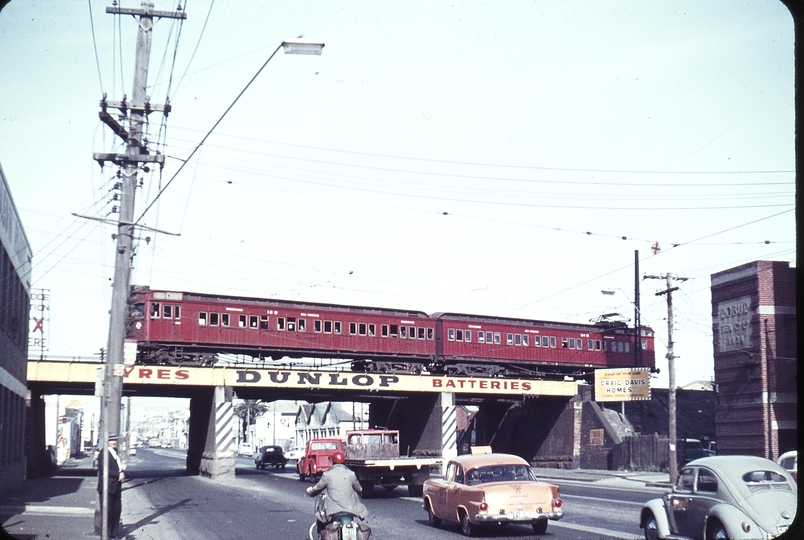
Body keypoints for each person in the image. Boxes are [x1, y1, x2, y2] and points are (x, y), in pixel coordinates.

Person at [305, 451, 368, 531]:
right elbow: (359, 489)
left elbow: (317, 489)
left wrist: (310, 491)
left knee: (320, 517)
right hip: (351, 510)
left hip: (332, 511)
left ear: (332, 462)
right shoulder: (351, 474)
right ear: (344, 461)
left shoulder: (327, 474)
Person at [97, 434, 125, 539]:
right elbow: (105, 469)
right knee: (107, 512)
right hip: (107, 487)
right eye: (111, 440)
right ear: (107, 441)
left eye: (115, 440)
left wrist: (122, 470)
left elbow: (118, 467)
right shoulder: (104, 453)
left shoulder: (115, 453)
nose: (114, 442)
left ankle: (113, 534)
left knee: (116, 510)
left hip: (116, 486)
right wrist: (119, 474)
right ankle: (105, 535)